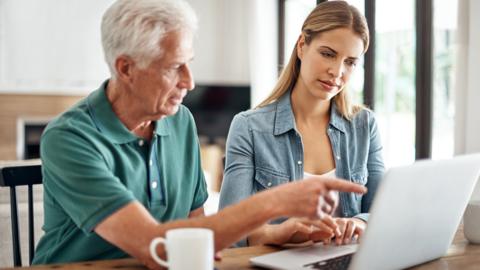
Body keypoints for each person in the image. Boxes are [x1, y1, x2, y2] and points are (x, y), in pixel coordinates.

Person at [31, 0, 367, 269]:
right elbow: (156, 247)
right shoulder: (69, 138)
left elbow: (198, 230)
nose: (190, 82)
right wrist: (276, 202)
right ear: (126, 68)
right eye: (173, 67)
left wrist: (273, 233)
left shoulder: (180, 122)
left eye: (189, 63)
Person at [219, 0, 385, 248]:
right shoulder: (249, 128)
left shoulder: (364, 125)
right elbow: (229, 233)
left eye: (350, 62)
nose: (337, 71)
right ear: (301, 46)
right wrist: (284, 232)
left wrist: (359, 223)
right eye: (328, 54)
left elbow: (382, 212)